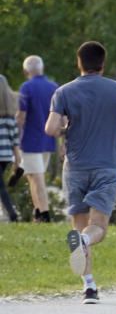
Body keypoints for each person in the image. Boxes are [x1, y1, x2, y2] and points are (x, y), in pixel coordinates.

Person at [44, 41, 116, 304]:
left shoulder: (63, 92)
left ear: (79, 63)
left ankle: (89, 287)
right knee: (96, 228)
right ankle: (85, 242)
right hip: (106, 166)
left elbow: (50, 128)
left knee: (80, 227)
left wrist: (67, 130)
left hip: (75, 167)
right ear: (103, 63)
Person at [17, 55, 59, 222]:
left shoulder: (26, 88)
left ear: (26, 70)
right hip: (48, 140)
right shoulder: (54, 87)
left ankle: (45, 214)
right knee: (33, 176)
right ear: (42, 68)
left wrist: (16, 134)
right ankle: (38, 212)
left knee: (37, 178)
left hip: (30, 140)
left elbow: (21, 116)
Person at [0, 75, 21, 222]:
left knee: (1, 188)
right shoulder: (9, 117)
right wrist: (17, 159)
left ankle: (12, 213)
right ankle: (10, 213)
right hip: (6, 156)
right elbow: (15, 140)